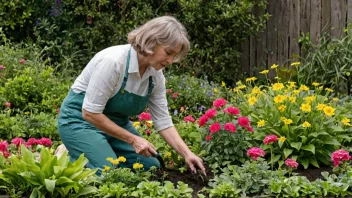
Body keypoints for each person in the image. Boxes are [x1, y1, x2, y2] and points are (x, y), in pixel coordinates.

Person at [57, 16, 206, 175]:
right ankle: (67, 153)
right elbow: (89, 113)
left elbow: (162, 120)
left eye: (174, 55)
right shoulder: (113, 61)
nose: (170, 60)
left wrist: (187, 153)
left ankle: (100, 149)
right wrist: (133, 140)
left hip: (116, 126)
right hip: (80, 122)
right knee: (109, 173)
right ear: (152, 42)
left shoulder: (155, 75)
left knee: (150, 168)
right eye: (168, 52)